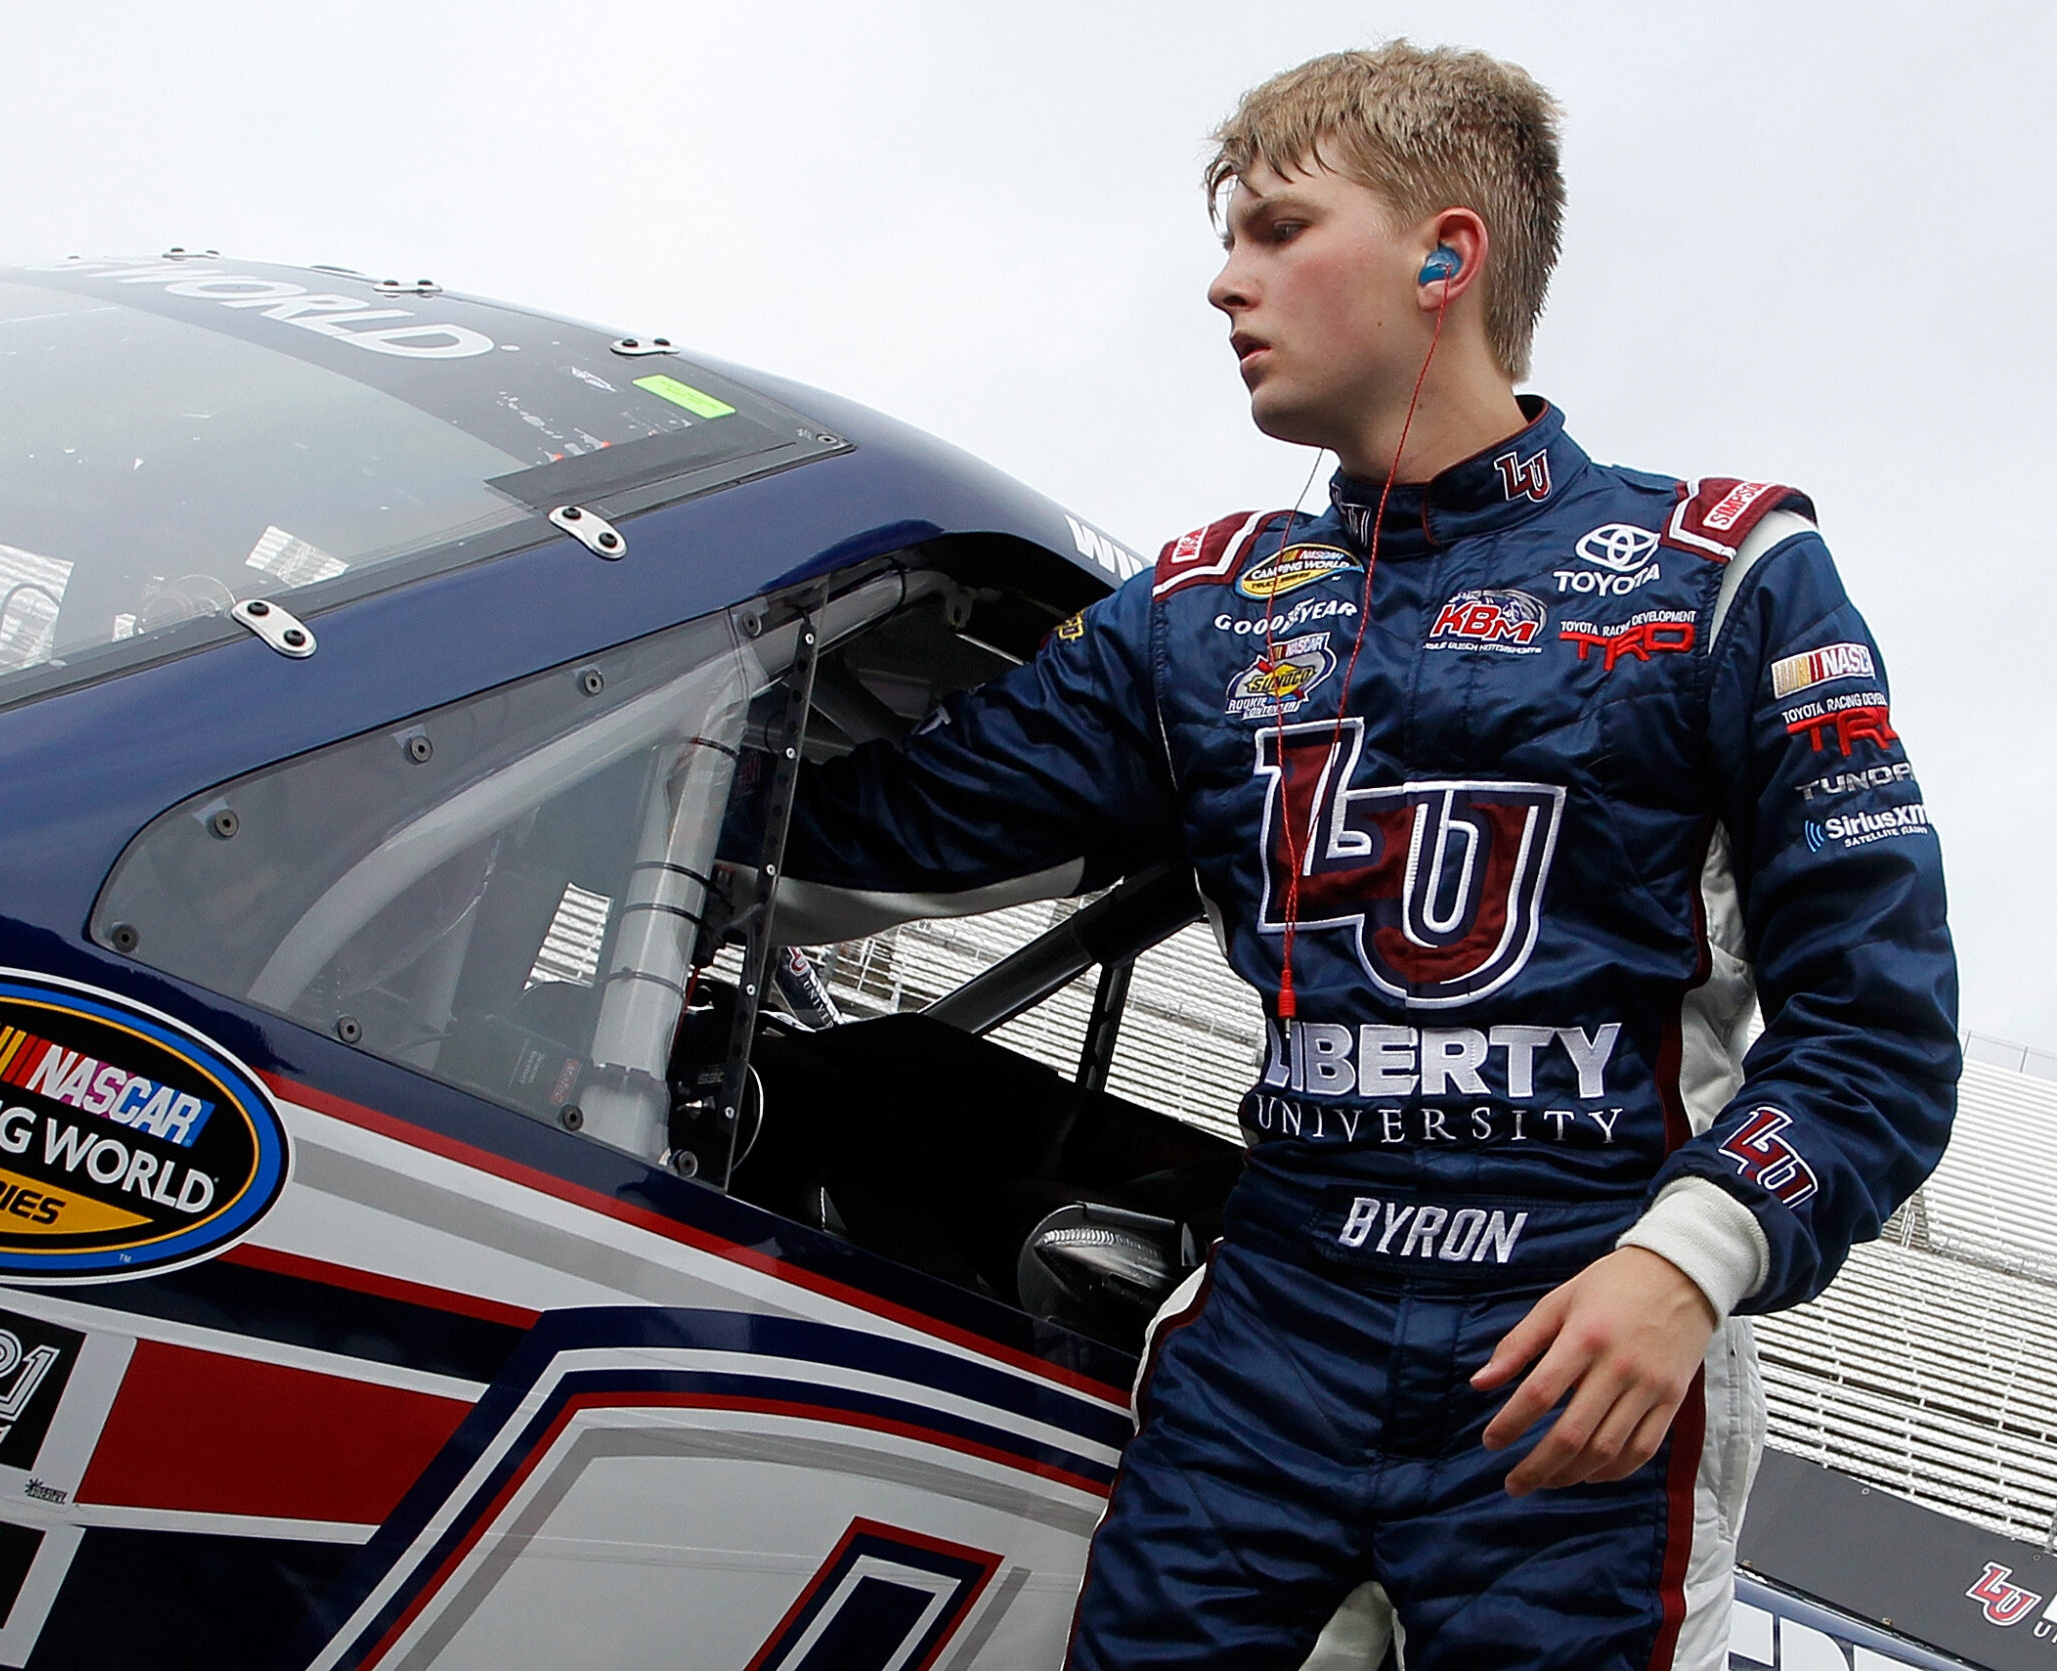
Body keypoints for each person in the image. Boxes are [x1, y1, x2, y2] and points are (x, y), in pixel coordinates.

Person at [770, 41, 1957, 1669]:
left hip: (1574, 1356)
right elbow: (878, 831)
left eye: (1274, 230)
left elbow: (1877, 1038)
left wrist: (1686, 1268)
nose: (1221, 283)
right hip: (1273, 1335)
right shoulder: (1200, 609)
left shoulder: (1728, 574)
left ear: (1444, 255)